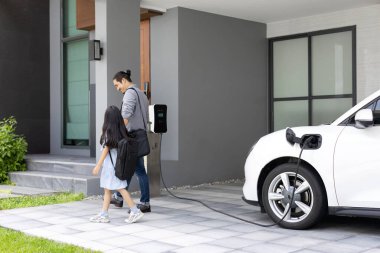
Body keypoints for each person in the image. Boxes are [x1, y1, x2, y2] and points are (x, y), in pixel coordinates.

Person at [90, 105, 144, 223]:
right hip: (115, 165)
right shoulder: (120, 131)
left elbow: (106, 149)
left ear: (107, 119)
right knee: (108, 190)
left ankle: (135, 211)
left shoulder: (109, 133)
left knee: (120, 188)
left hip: (111, 167)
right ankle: (104, 214)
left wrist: (98, 165)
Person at [111, 69, 151, 213]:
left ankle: (145, 202)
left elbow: (126, 115)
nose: (117, 88)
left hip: (131, 137)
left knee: (137, 170)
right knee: (130, 168)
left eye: (117, 85)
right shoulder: (142, 94)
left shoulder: (129, 93)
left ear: (123, 80)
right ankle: (118, 197)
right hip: (140, 135)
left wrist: (116, 132)